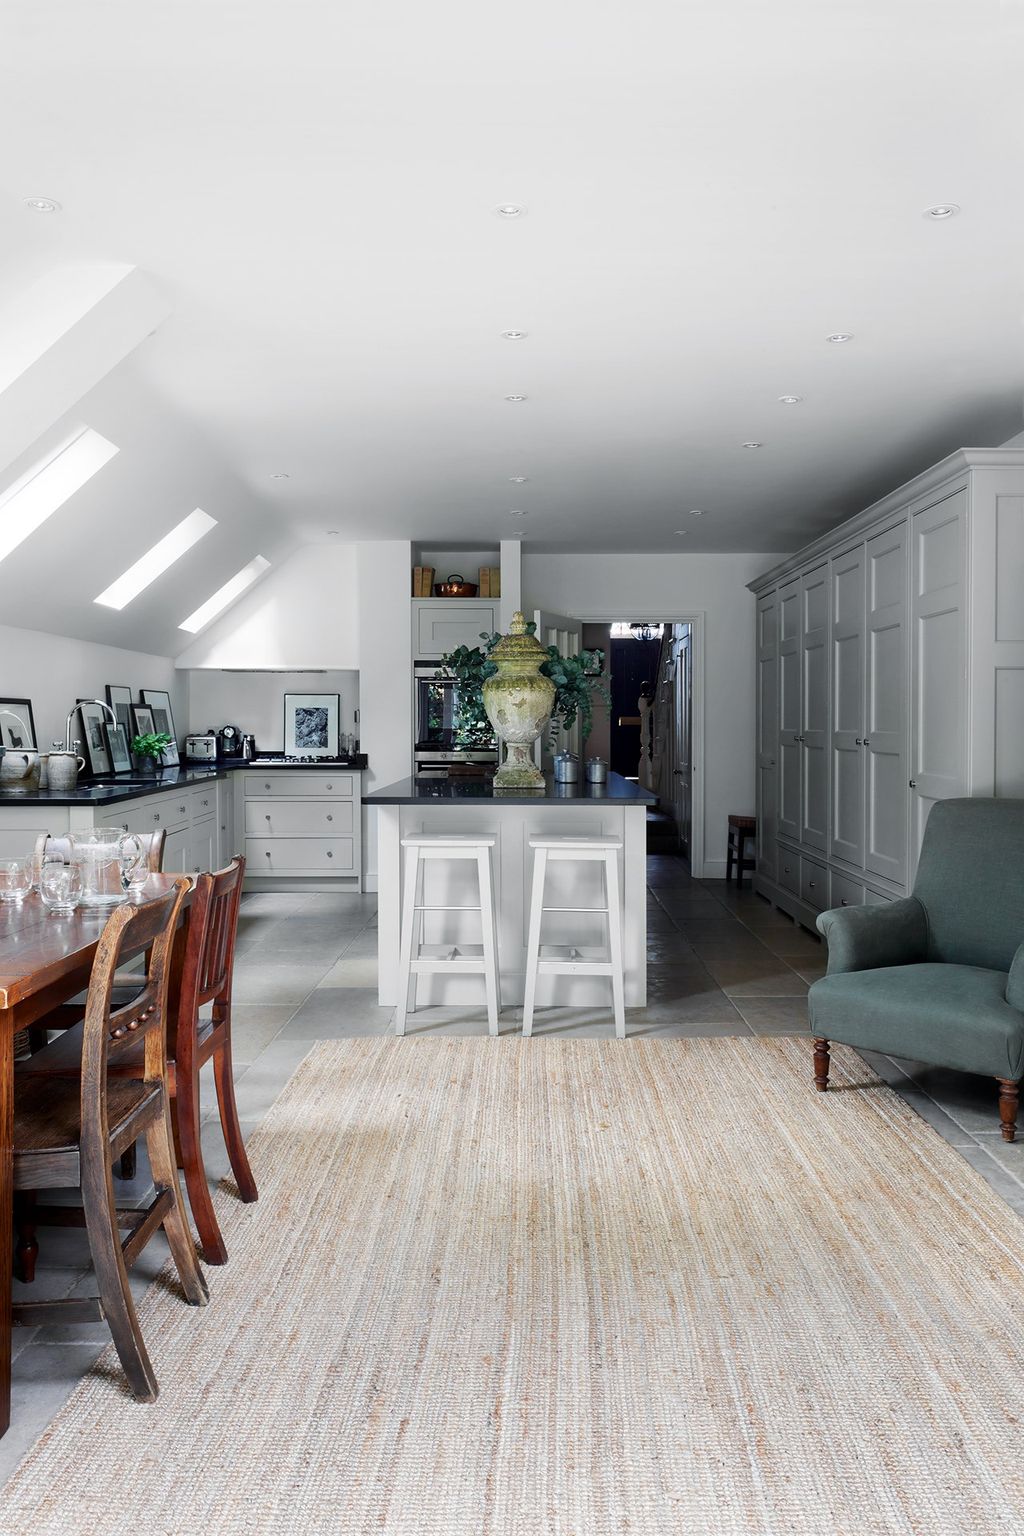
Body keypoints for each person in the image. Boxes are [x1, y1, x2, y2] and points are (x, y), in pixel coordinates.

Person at [637, 682, 655, 791]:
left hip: (645, 726)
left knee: (645, 742)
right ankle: (645, 783)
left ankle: (646, 783)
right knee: (645, 741)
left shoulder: (643, 699)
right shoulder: (643, 699)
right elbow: (647, 706)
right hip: (645, 725)